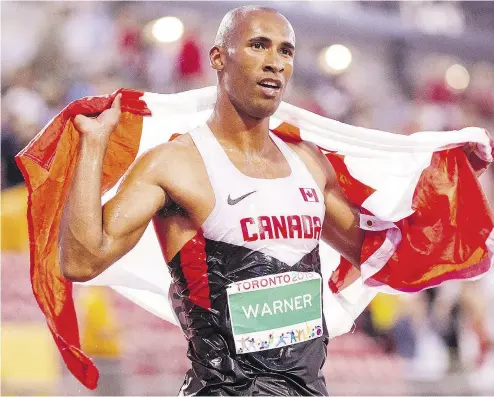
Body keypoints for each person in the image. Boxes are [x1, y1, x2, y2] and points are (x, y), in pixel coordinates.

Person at [58, 5, 491, 396]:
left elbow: (376, 252)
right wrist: (93, 146)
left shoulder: (308, 162)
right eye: (258, 45)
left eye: (285, 51)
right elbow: (81, 261)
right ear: (218, 57)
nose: (274, 62)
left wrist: (447, 182)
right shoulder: (175, 164)